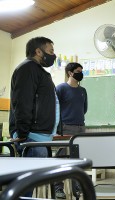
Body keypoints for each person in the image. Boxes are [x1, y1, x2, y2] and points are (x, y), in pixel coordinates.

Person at [9, 36, 58, 197]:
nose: (53, 54)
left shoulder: (38, 71)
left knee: (31, 185)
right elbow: (22, 102)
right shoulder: (28, 68)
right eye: (50, 51)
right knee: (26, 187)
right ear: (38, 51)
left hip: (39, 136)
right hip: (31, 137)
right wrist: (22, 133)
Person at [54, 62, 88, 199]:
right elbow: (55, 108)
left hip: (80, 127)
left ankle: (77, 187)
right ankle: (58, 188)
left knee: (78, 159)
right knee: (61, 158)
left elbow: (84, 109)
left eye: (81, 70)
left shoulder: (82, 90)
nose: (80, 73)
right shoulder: (61, 88)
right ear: (70, 73)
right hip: (65, 127)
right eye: (78, 71)